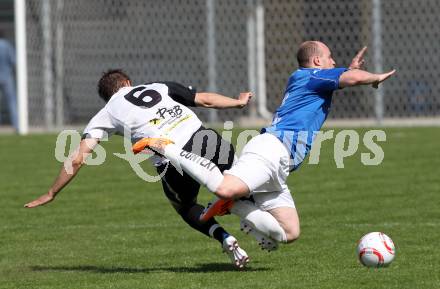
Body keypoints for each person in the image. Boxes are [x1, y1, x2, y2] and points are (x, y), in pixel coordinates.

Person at [133, 41, 396, 248]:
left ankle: (237, 205)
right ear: (317, 62)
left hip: (279, 166)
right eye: (330, 58)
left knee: (289, 233)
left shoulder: (308, 79)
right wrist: (374, 77)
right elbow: (351, 79)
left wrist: (352, 72)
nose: (334, 62)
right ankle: (169, 149)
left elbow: (346, 77)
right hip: (271, 151)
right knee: (225, 188)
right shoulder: (311, 77)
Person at [24, 69, 257, 268]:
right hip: (205, 138)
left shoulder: (105, 114)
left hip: (172, 157)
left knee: (185, 206)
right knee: (240, 178)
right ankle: (255, 214)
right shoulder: (158, 86)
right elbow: (204, 99)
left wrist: (52, 192)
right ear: (127, 83)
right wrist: (237, 102)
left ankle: (224, 237)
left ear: (108, 97)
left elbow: (77, 159)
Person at [0, 30, 17, 130]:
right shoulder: (6, 45)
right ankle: (17, 126)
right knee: (12, 102)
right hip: (7, 77)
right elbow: (14, 60)